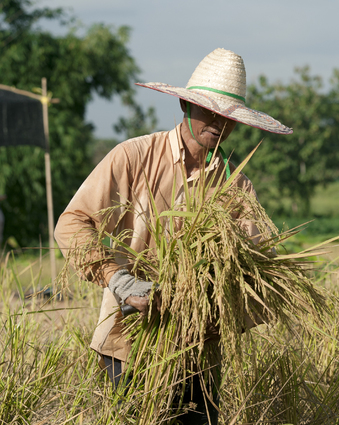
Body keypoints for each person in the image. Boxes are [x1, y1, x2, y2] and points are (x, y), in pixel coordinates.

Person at [54, 48, 292, 423]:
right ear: (185, 104)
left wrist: (223, 303)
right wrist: (118, 279)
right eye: (209, 110)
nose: (217, 122)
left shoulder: (236, 186)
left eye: (228, 116)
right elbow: (71, 223)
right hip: (128, 338)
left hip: (198, 348)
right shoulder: (134, 157)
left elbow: (253, 264)